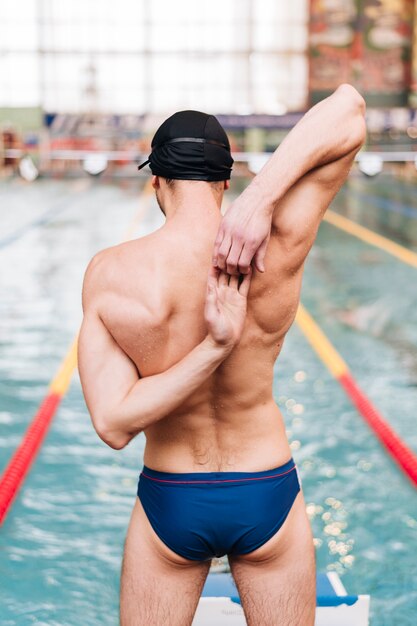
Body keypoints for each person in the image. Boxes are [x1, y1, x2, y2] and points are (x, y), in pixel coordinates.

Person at [78, 85, 366, 626]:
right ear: (225, 181)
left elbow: (114, 425)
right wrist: (261, 201)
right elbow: (349, 108)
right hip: (267, 488)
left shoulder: (112, 272)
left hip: (171, 493)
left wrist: (205, 349)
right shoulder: (278, 243)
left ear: (157, 180)